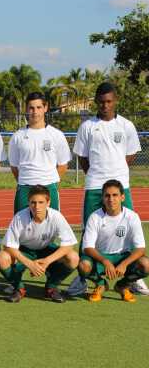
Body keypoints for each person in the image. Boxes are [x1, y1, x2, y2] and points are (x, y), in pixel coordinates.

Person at [68, 82, 146, 296]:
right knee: (88, 233)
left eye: (109, 101)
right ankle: (84, 278)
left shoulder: (127, 125)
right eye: (101, 102)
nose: (105, 105)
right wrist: (97, 173)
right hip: (94, 185)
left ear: (115, 101)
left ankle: (133, 278)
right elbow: (83, 157)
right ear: (96, 102)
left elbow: (130, 154)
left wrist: (118, 170)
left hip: (122, 184)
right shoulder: (87, 127)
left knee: (128, 230)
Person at [0, 185, 79, 303]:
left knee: (73, 257)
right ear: (28, 203)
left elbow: (69, 244)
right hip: (25, 250)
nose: (37, 206)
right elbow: (8, 246)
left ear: (48, 202)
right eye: (33, 202)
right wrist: (30, 264)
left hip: (46, 249)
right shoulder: (20, 217)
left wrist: (47, 261)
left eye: (41, 202)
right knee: (1, 258)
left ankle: (51, 286)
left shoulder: (56, 216)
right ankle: (19, 288)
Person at [78, 179, 149, 303]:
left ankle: (123, 286)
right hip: (101, 257)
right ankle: (101, 284)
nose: (111, 199)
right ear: (103, 198)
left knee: (146, 265)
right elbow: (87, 247)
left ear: (122, 197)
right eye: (107, 195)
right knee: (83, 266)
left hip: (122, 256)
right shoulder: (95, 217)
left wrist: (124, 264)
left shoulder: (132, 216)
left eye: (115, 195)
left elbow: (141, 248)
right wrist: (105, 261)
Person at [8, 92, 70, 213]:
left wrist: (49, 180)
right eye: (31, 108)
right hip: (25, 187)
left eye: (38, 107)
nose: (35, 111)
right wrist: (27, 180)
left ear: (45, 108)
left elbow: (63, 165)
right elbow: (14, 167)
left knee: (51, 228)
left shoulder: (56, 135)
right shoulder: (17, 136)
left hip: (48, 187)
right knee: (22, 229)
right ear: (27, 109)